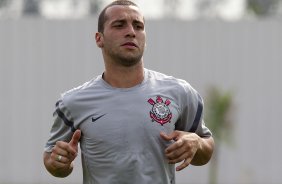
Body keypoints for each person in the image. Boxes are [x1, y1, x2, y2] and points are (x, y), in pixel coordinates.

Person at [43, 0, 214, 183]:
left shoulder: (179, 93)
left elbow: (206, 147)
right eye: (119, 25)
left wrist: (197, 144)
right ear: (99, 38)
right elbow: (52, 159)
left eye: (138, 26)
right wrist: (60, 162)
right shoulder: (72, 102)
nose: (131, 32)